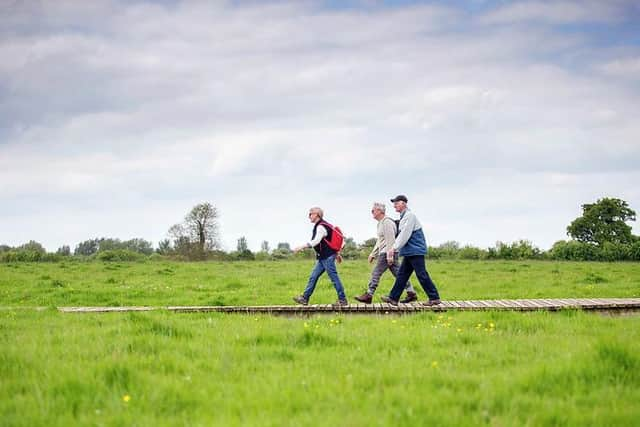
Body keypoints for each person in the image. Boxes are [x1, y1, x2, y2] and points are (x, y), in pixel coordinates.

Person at [381, 195, 442, 306]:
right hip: (410, 251)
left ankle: (434, 298)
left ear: (404, 203)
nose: (394, 205)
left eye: (396, 203)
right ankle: (393, 298)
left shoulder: (410, 216)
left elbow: (405, 234)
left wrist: (393, 248)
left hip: (415, 250)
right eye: (394, 203)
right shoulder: (404, 217)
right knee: (402, 275)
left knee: (421, 274)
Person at [354, 202, 418, 304]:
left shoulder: (387, 222)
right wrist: (373, 254)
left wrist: (389, 255)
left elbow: (390, 240)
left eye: (373, 210)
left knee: (376, 273)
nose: (372, 213)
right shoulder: (380, 223)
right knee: (399, 274)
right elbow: (380, 240)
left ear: (380, 211)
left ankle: (369, 295)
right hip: (387, 252)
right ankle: (411, 293)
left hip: (387, 253)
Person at [293, 207, 348, 306]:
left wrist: (301, 247)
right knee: (313, 277)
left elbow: (316, 241)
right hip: (323, 257)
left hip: (327, 257)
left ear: (316, 214)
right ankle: (305, 298)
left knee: (334, 278)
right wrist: (337, 253)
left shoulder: (321, 227)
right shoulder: (324, 225)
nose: (309, 216)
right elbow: (331, 241)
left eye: (310, 214)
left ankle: (342, 300)